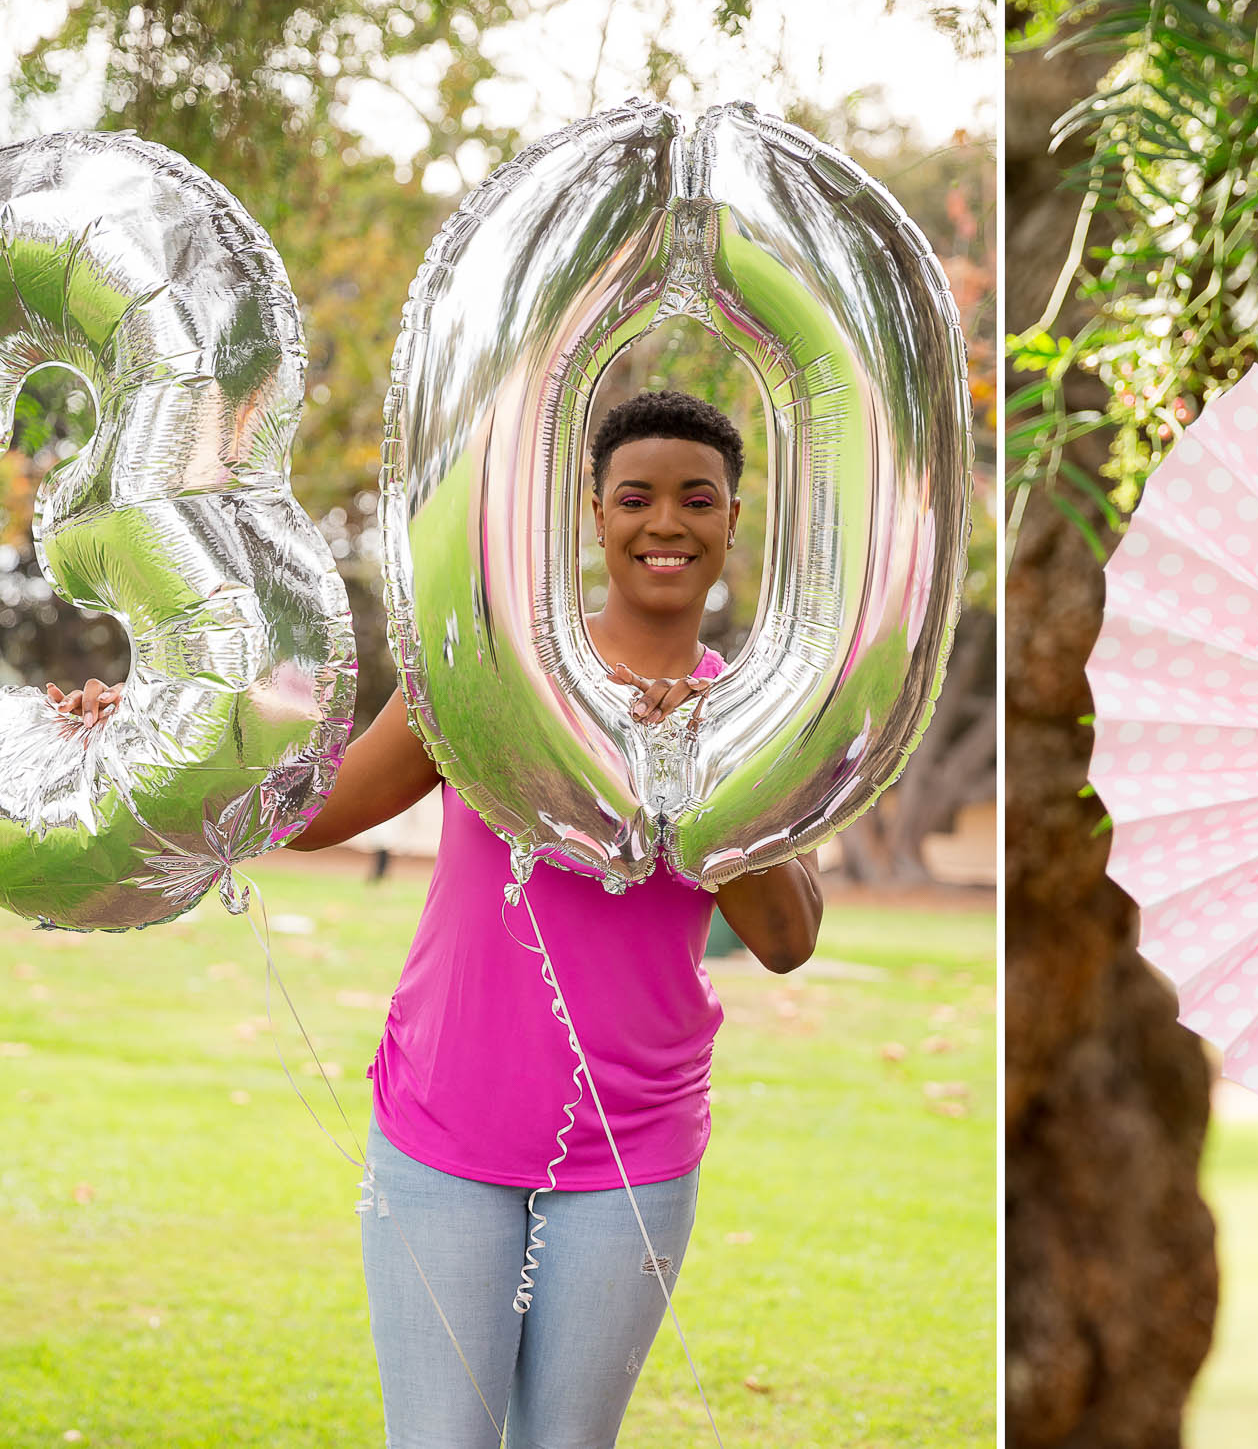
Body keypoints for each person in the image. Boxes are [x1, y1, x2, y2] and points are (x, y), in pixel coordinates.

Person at [47, 389, 822, 1447]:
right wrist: (143, 734)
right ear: (594, 512)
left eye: (698, 498)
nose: (666, 523)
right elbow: (314, 811)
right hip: (445, 1128)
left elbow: (785, 938)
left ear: (735, 519)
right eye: (635, 496)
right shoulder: (484, 677)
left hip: (634, 1148)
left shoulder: (764, 714)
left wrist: (710, 768)